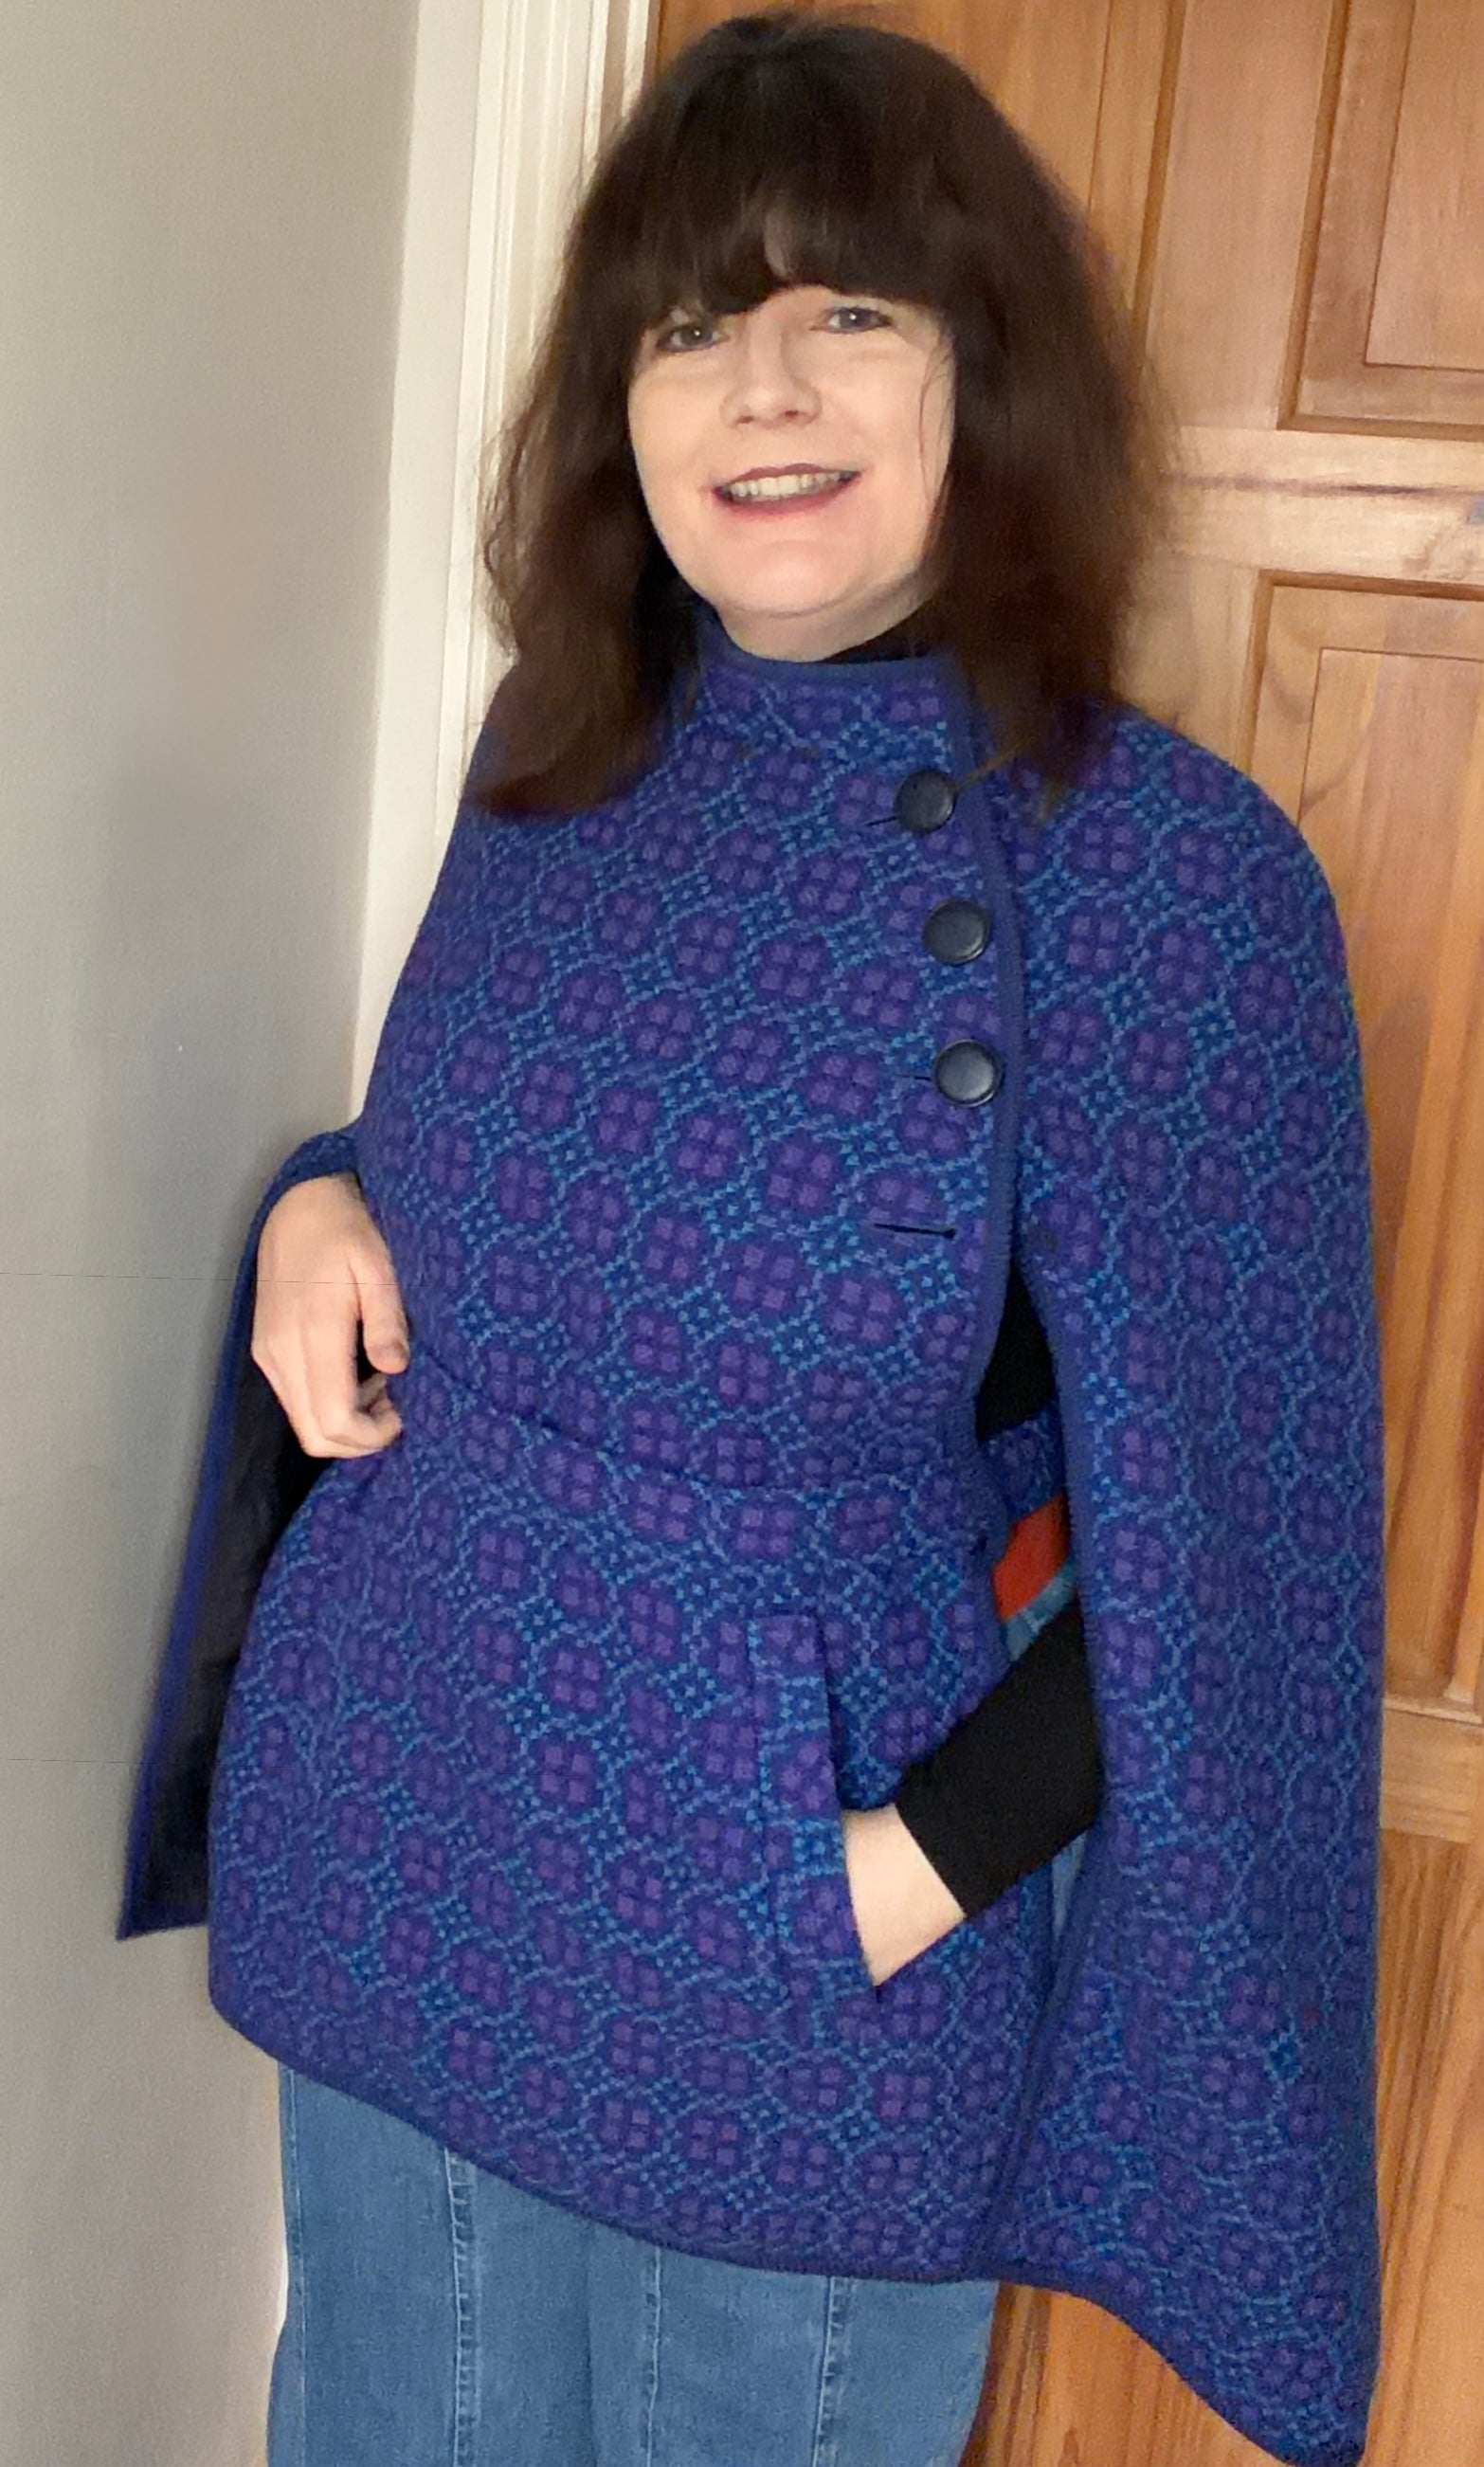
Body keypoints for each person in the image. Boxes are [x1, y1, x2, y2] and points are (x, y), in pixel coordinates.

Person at [119, 13, 1386, 2467]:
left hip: (798, 1975)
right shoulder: (552, 742)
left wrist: (892, 1878)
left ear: (983, 368)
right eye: (691, 324)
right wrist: (324, 1199)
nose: (762, 389)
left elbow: (1231, 1552)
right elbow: (528, 1188)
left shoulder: (1156, 872)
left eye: (849, 311)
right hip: (406, 1837)